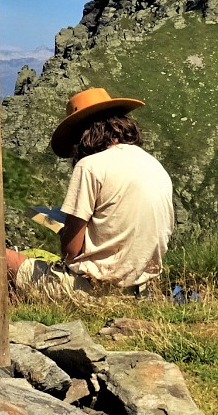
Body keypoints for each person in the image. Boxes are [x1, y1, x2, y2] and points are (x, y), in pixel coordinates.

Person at [12, 86, 174, 297]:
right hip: (142, 289)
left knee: (3, 259)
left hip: (98, 288)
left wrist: (66, 229)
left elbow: (71, 252)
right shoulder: (153, 164)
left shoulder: (90, 166)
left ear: (83, 135)